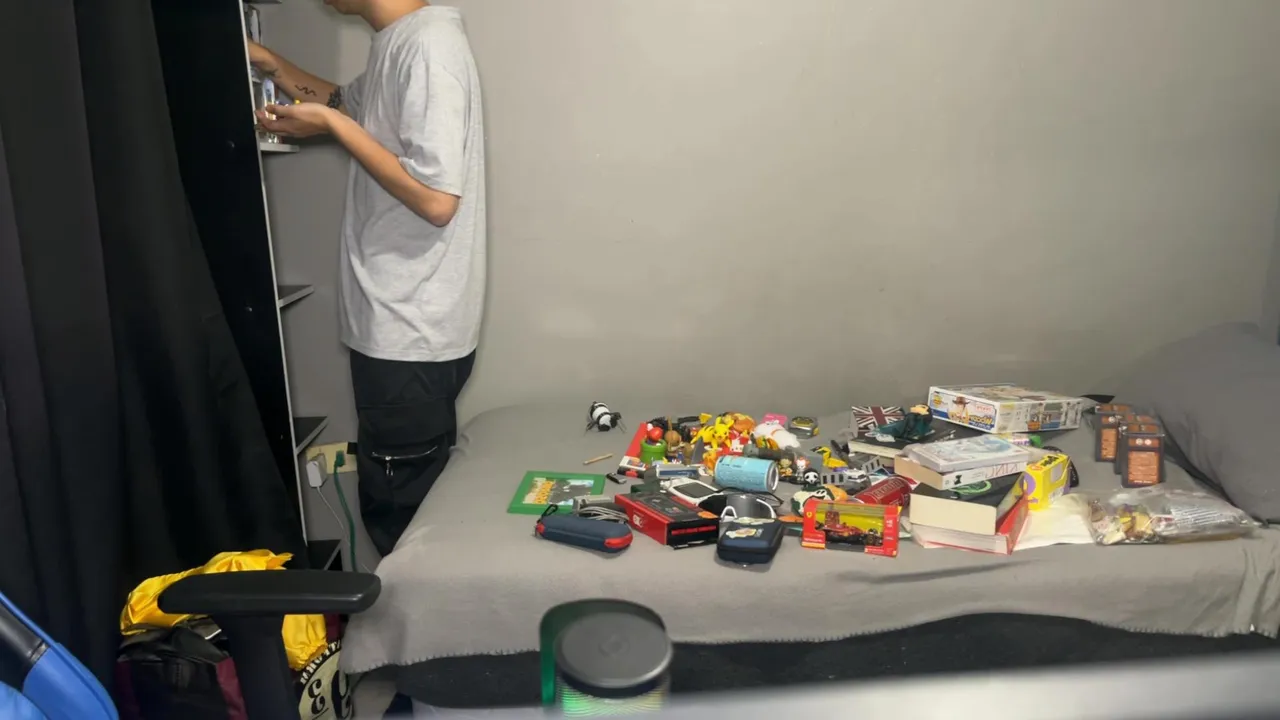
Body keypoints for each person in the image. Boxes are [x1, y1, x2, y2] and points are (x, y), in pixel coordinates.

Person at [251, 0, 485, 557]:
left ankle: (413, 618)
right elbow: (343, 102)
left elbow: (437, 200)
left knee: (401, 523)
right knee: (407, 506)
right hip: (404, 327)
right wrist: (270, 63)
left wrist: (333, 126)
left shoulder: (428, 45)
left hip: (408, 329)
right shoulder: (401, 41)